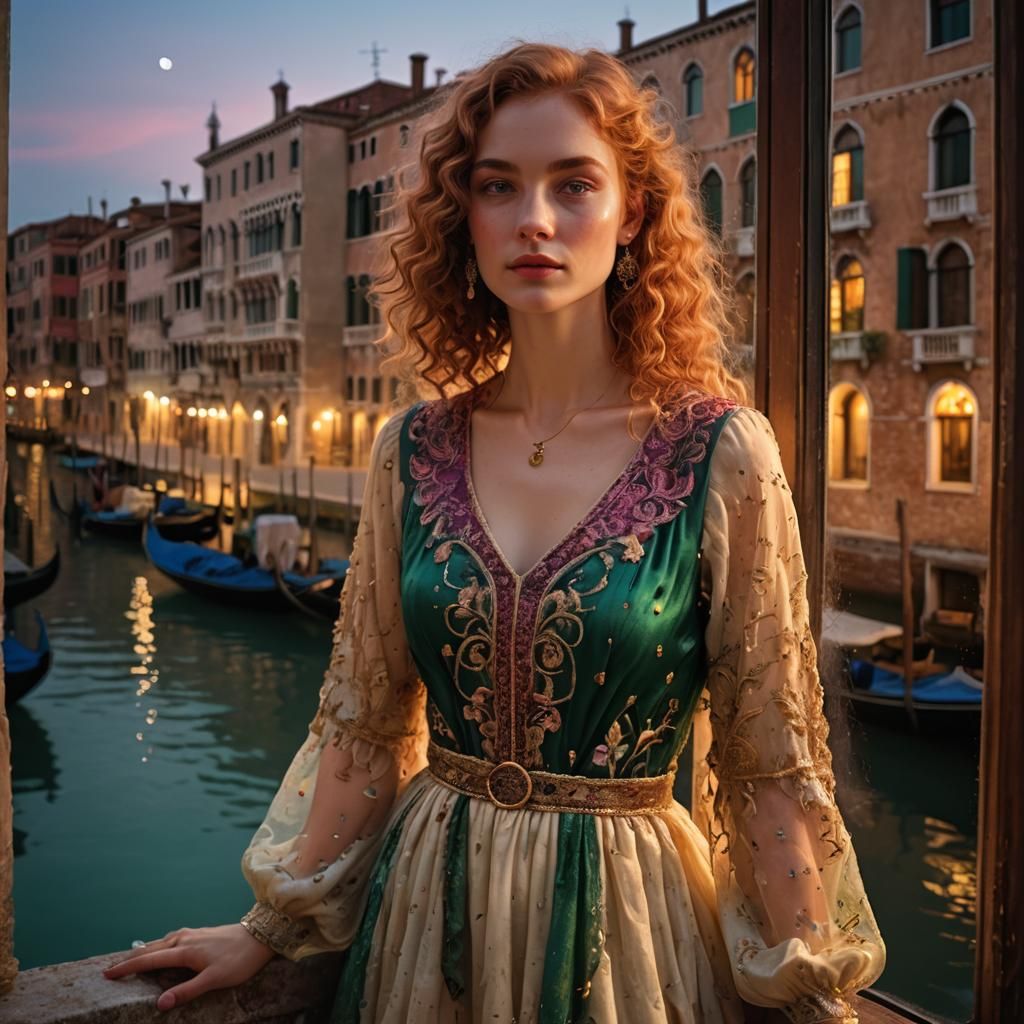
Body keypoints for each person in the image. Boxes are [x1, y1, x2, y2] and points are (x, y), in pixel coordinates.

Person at [101, 42, 886, 1023]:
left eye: (573, 184)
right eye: (497, 186)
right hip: (429, 912)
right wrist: (270, 930)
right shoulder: (410, 450)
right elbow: (362, 731)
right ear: (461, 215)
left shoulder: (723, 454)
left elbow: (768, 768)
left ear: (631, 210)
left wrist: (815, 995)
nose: (535, 221)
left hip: (629, 925)